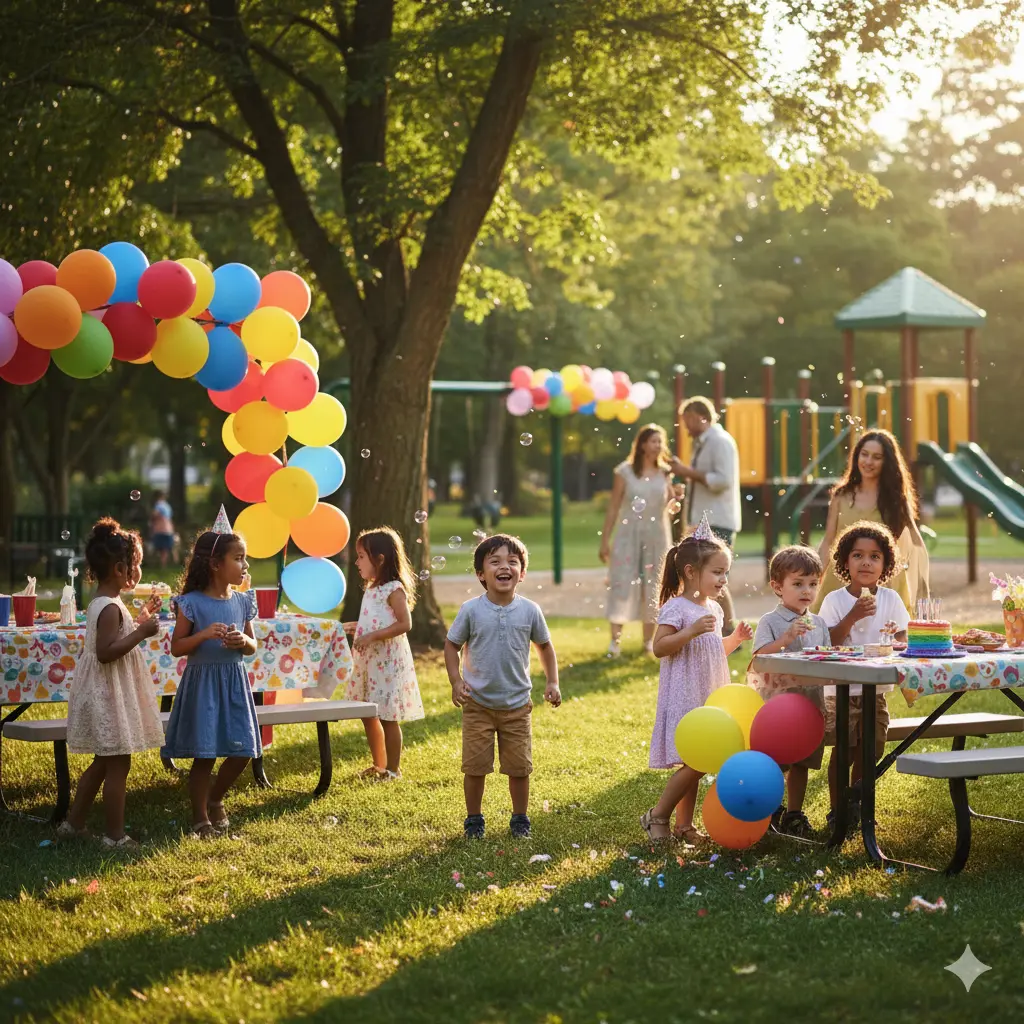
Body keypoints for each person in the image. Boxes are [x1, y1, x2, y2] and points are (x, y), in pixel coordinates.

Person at [641, 517, 752, 843]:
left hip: (709, 692)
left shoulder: (714, 611)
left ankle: (684, 826)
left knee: (699, 758)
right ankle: (657, 816)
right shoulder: (676, 608)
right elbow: (660, 647)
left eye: (725, 573)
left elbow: (713, 651)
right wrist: (688, 631)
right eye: (717, 572)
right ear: (691, 572)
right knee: (696, 760)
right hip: (684, 693)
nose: (723, 580)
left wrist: (734, 640)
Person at [445, 534, 560, 840]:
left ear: (521, 573)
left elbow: (545, 647)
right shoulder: (471, 610)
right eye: (494, 561)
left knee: (519, 767)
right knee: (475, 766)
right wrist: (456, 681)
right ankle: (474, 820)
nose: (504, 566)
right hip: (477, 705)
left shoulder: (529, 610)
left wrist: (552, 681)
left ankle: (520, 819)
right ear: (481, 574)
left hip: (517, 706)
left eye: (512, 561)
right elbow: (451, 644)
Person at [58, 519, 165, 849]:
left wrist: (141, 617)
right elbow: (106, 653)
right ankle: (115, 837)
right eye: (135, 566)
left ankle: (73, 826)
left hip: (105, 692)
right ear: (120, 569)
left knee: (104, 761)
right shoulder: (110, 609)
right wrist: (141, 633)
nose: (138, 572)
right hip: (109, 694)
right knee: (119, 763)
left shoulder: (105, 603)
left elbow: (114, 637)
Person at [162, 529, 261, 839]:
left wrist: (242, 640)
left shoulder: (243, 601)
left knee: (244, 748)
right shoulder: (191, 603)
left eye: (245, 559)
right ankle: (200, 818)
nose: (245, 566)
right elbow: (177, 647)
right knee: (204, 754)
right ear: (216, 564)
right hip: (203, 685)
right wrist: (203, 635)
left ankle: (216, 797)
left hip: (233, 682)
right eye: (239, 558)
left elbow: (253, 646)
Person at [819, 521, 910, 833]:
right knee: (843, 751)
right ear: (845, 562)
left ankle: (857, 802)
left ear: (885, 565)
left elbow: (904, 638)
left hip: (876, 688)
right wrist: (854, 615)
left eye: (874, 557)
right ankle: (837, 811)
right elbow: (828, 640)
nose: (866, 562)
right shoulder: (835, 600)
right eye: (858, 555)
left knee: (871, 748)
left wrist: (900, 641)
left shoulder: (891, 599)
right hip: (842, 689)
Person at [748, 545, 831, 838]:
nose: (806, 590)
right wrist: (785, 638)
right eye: (797, 584)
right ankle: (770, 809)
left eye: (812, 584)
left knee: (802, 762)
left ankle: (794, 813)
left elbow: (825, 658)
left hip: (811, 705)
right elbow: (759, 658)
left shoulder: (819, 623)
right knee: (776, 762)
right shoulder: (770, 621)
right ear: (777, 587)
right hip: (779, 708)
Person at [813, 428, 929, 614]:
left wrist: (921, 587)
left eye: (877, 457)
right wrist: (814, 575)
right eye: (864, 454)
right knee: (832, 637)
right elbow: (828, 541)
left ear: (887, 462)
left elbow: (916, 543)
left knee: (884, 637)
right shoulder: (841, 495)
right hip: (842, 578)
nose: (868, 461)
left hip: (884, 581)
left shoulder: (897, 499)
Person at [343, 527, 424, 781]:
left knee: (388, 717)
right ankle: (379, 765)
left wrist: (372, 635)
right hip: (370, 661)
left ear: (379, 559)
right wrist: (359, 628)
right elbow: (377, 619)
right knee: (369, 714)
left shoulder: (393, 589)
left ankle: (393, 769)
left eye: (361, 556)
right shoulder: (371, 588)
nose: (356, 562)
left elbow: (404, 624)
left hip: (387, 662)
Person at [599, 424, 682, 658]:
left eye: (660, 441)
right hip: (628, 535)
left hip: (657, 535)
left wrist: (676, 499)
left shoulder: (666, 472)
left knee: (654, 586)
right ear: (643, 444)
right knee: (621, 583)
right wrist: (605, 540)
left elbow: (669, 510)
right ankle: (615, 642)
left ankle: (648, 642)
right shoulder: (625, 472)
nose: (658, 446)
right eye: (653, 441)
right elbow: (614, 507)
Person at [670, 397, 741, 634]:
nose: (686, 427)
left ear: (701, 417)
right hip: (705, 518)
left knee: (715, 575)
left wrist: (686, 472)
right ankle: (722, 627)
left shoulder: (720, 442)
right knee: (708, 576)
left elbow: (722, 480)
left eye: (688, 420)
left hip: (718, 519)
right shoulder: (703, 442)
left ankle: (728, 629)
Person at [149, 491, 176, 569]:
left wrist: (151, 519)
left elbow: (155, 515)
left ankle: (153, 565)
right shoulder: (167, 506)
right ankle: (163, 565)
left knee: (157, 547)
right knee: (165, 549)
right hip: (168, 529)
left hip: (160, 529)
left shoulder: (158, 505)